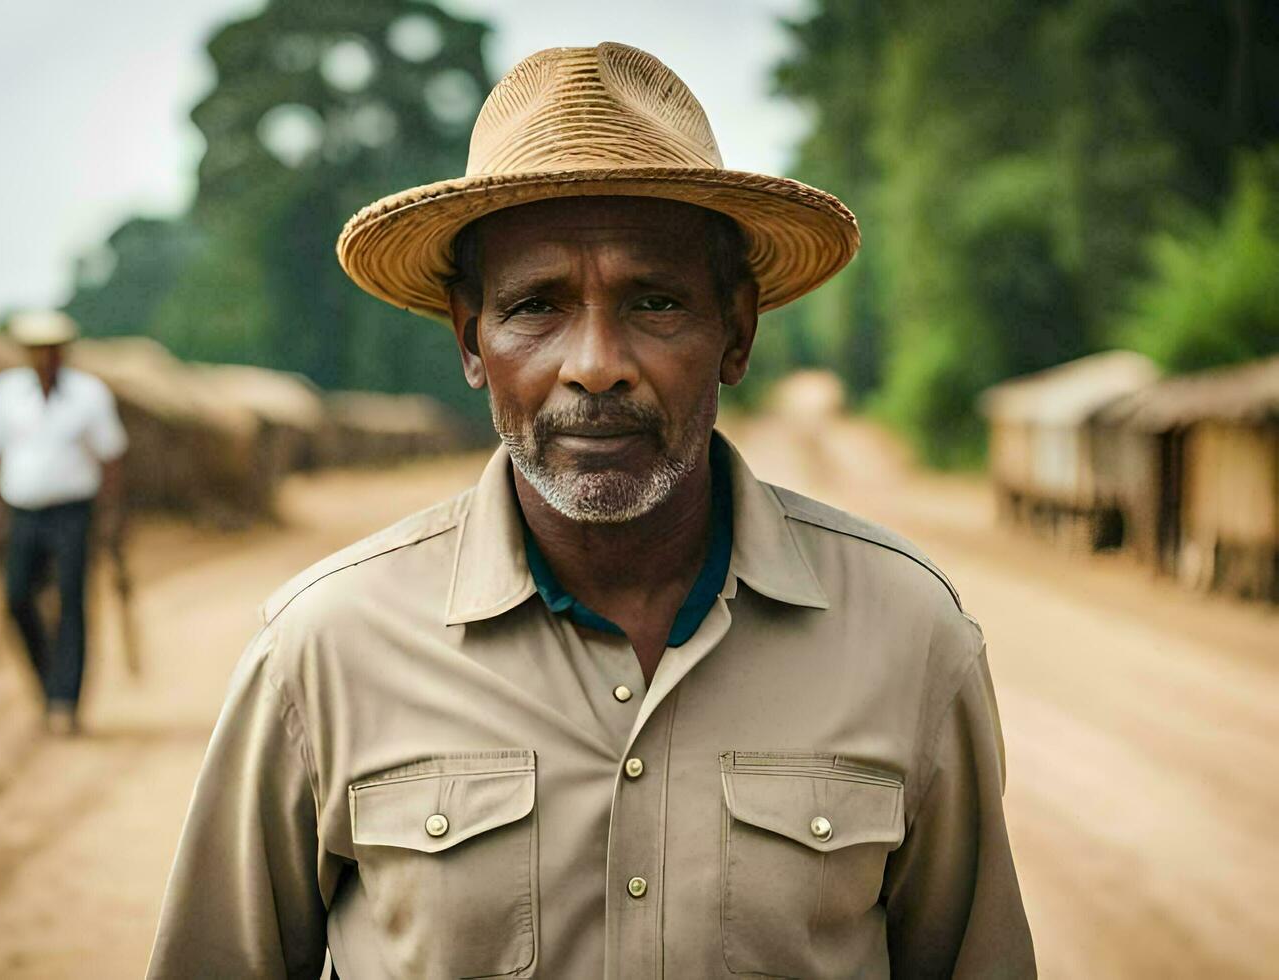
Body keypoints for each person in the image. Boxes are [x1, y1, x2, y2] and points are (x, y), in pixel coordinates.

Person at [148, 43, 1036, 978]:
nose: (596, 363)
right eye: (537, 306)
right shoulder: (324, 649)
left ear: (735, 331)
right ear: (470, 339)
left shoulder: (909, 634)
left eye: (654, 301)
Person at [0, 310, 128, 736]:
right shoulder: (4, 394)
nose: (45, 357)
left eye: (52, 349)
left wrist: (111, 520)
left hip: (73, 513)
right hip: (22, 514)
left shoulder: (89, 395)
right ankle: (47, 682)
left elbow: (111, 457)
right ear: (26, 353)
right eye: (37, 349)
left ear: (64, 352)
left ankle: (66, 701)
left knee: (73, 601)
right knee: (17, 599)